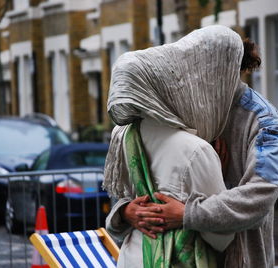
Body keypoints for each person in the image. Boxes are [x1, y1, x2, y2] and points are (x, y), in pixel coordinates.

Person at [117, 35, 278, 267]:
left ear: (224, 68)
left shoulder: (264, 120)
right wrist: (126, 211)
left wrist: (188, 214)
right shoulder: (178, 108)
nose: (191, 75)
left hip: (240, 257)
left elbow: (260, 195)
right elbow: (153, 178)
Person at [103, 25, 244, 267]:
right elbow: (222, 235)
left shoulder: (124, 136)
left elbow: (119, 211)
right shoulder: (196, 150)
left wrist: (126, 213)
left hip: (133, 257)